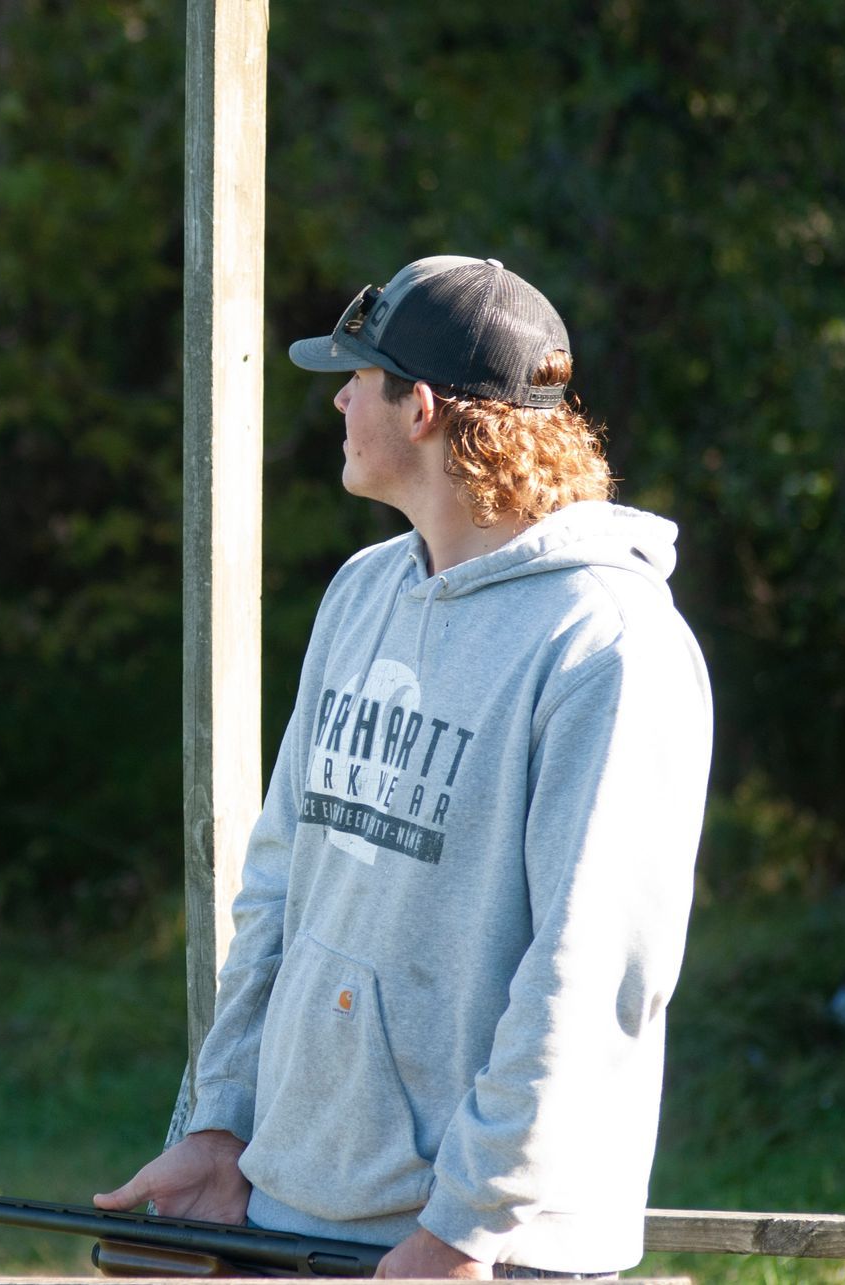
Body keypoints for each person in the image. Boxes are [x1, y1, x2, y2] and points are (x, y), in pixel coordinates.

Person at [94, 256, 713, 1279]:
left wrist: (464, 1227)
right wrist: (221, 1125)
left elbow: (590, 971)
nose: (338, 401)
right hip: (291, 1211)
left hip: (482, 1253)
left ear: (419, 408)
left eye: (356, 378)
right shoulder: (360, 590)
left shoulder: (609, 644)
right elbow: (280, 885)